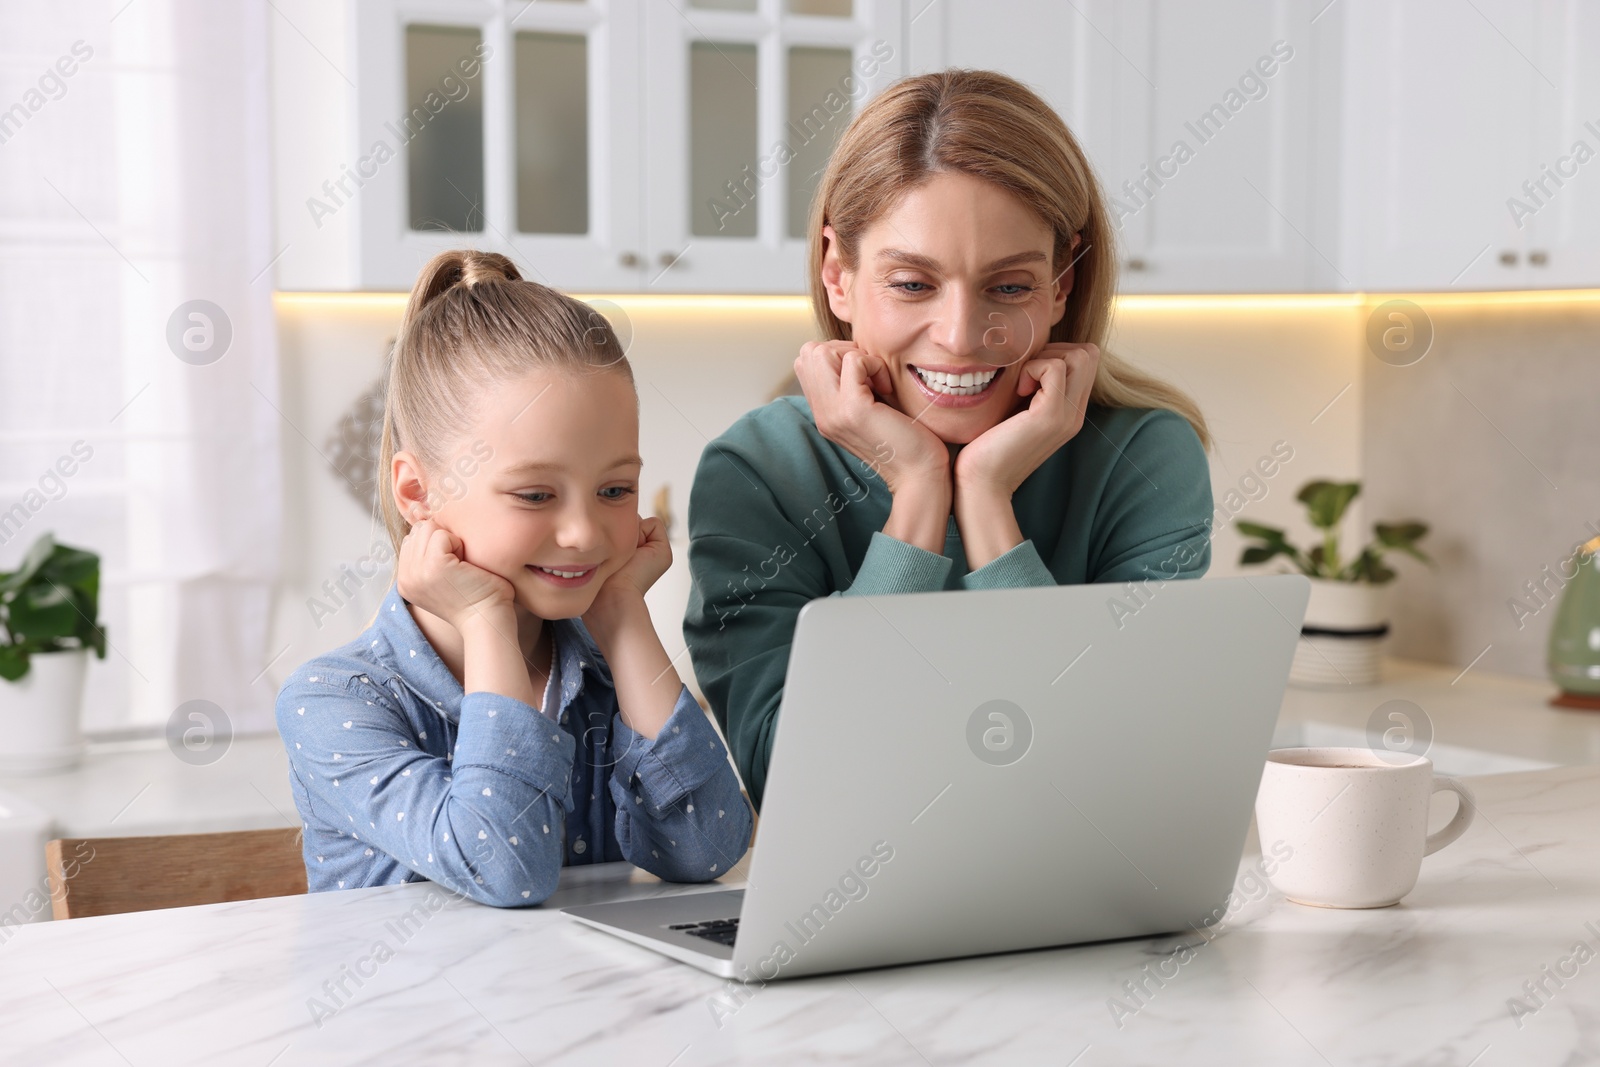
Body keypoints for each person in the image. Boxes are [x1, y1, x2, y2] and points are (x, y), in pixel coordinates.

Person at [684, 70, 1216, 810]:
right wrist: (919, 497)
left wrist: (988, 500)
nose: (964, 337)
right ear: (838, 275)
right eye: (911, 284)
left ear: (1063, 283)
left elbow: (1107, 783)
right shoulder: (759, 474)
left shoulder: (1148, 461)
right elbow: (793, 781)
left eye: (1010, 286)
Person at [276, 250, 752, 905]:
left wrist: (625, 615)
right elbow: (505, 868)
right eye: (534, 495)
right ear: (416, 492)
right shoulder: (338, 701)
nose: (584, 531)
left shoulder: (608, 676)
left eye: (615, 488)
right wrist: (485, 621)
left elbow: (709, 848)